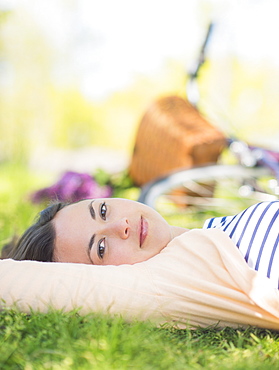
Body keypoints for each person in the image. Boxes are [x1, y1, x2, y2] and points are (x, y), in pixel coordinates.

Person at [3, 197, 279, 289]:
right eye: (100, 248)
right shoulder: (228, 270)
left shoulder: (217, 229)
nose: (120, 226)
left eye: (102, 211)